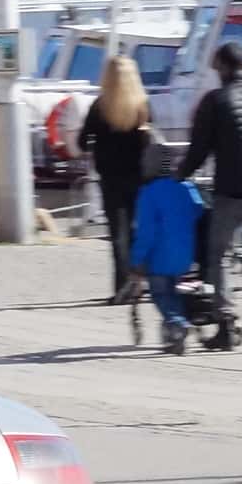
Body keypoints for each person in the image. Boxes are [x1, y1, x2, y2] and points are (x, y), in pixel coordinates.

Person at [179, 42, 242, 352]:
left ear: (224, 67)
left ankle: (226, 323)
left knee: (221, 257)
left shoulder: (215, 100)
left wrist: (179, 176)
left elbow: (199, 149)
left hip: (230, 190)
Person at [78, 54, 156, 305]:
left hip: (110, 177)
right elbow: (154, 142)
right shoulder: (143, 107)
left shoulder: (100, 107)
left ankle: (123, 287)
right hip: (141, 178)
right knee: (140, 231)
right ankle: (145, 281)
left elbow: (82, 142)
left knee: (118, 234)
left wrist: (96, 144)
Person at [130, 144, 207, 356]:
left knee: (161, 294)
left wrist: (137, 260)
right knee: (177, 293)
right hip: (185, 253)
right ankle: (175, 330)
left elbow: (146, 232)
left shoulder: (148, 193)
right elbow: (199, 211)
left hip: (159, 256)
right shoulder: (186, 187)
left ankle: (177, 325)